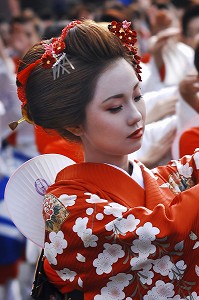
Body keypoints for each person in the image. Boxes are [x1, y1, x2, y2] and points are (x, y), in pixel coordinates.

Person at [9, 19, 199, 299]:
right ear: (75, 124)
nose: (135, 114)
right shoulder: (68, 210)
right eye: (114, 107)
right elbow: (165, 231)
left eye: (137, 96)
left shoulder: (159, 180)